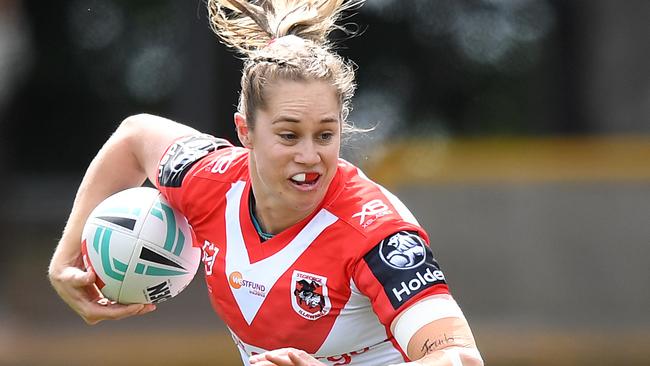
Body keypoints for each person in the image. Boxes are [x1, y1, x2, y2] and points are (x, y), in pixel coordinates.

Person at [48, 1, 484, 365]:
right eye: (289, 135)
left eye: (326, 135)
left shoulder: (375, 235)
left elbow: (461, 358)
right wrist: (65, 261)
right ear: (245, 132)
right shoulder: (210, 180)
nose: (310, 156)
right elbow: (135, 135)